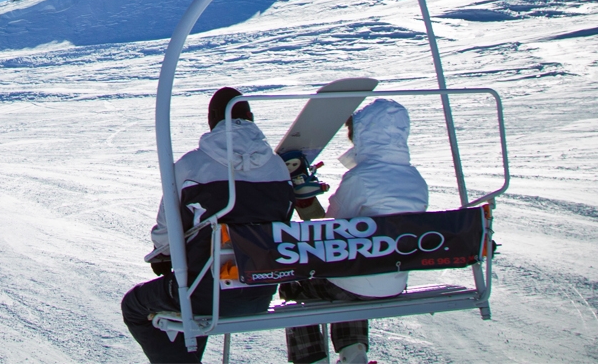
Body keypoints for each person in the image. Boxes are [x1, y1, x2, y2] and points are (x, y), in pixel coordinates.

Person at [123, 87, 298, 363]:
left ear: (212, 119)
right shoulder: (277, 167)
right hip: (259, 291)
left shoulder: (193, 165)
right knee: (194, 289)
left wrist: (163, 253)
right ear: (251, 117)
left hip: (206, 293)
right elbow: (284, 222)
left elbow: (167, 223)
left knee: (137, 305)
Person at [282, 98, 428, 364]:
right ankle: (354, 354)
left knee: (298, 279)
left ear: (366, 136)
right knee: (358, 270)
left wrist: (305, 202)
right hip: (393, 280)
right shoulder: (416, 180)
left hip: (358, 280)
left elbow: (330, 227)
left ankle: (311, 358)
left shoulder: (361, 178)